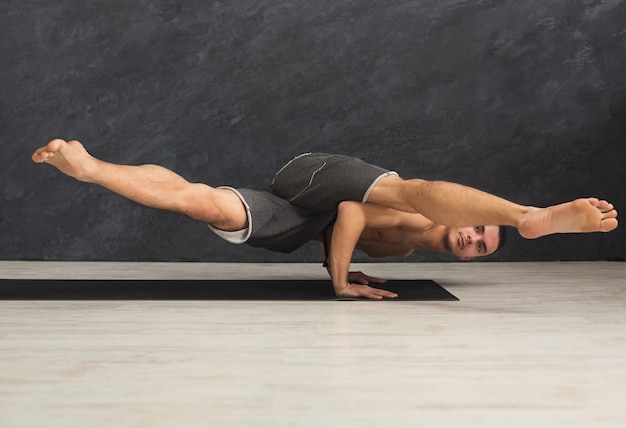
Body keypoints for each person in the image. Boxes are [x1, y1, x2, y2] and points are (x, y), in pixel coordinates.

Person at [32, 139, 618, 299]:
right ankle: (530, 216)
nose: (472, 237)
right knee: (405, 189)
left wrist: (346, 266)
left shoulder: (406, 253)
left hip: (301, 215)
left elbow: (338, 229)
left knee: (204, 202)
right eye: (483, 229)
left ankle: (93, 168)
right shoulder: (419, 220)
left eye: (482, 247)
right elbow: (351, 209)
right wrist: (339, 282)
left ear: (468, 257)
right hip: (317, 174)